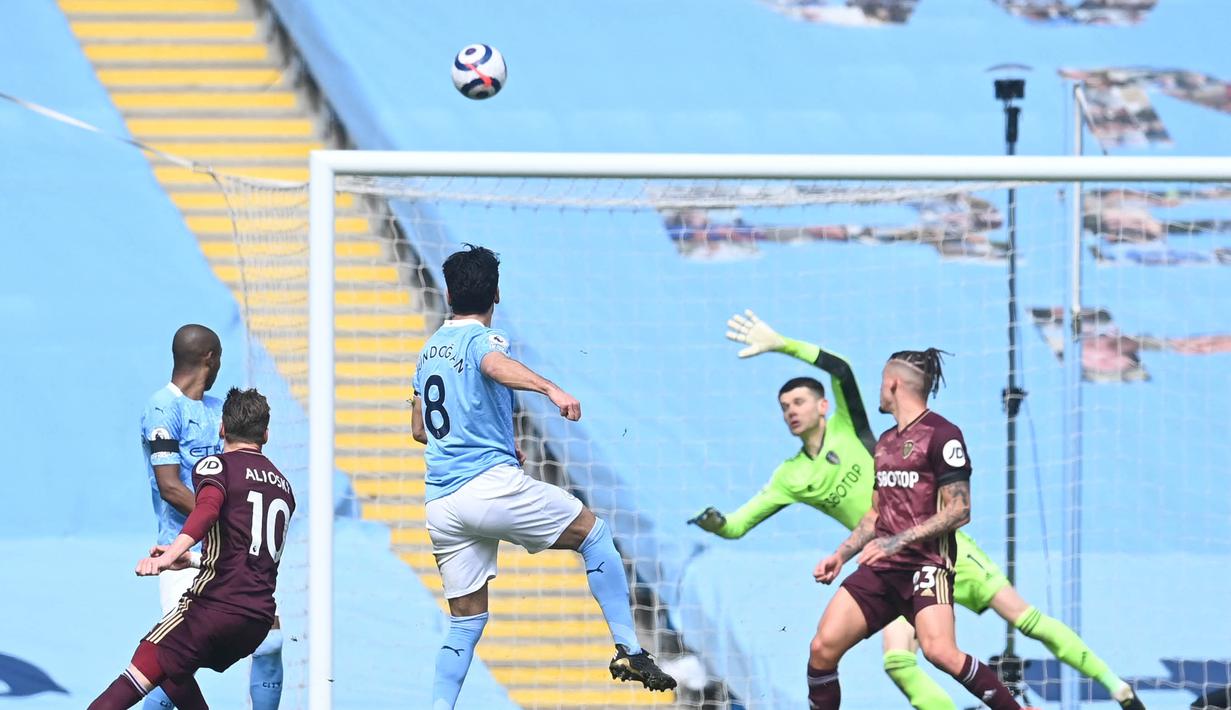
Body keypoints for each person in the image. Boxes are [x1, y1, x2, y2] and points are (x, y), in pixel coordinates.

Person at [693, 312, 1144, 710]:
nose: (791, 411)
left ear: (824, 405)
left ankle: (1117, 687)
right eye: (784, 407)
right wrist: (841, 553)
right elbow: (869, 514)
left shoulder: (886, 431)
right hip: (882, 560)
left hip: (937, 557)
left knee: (1009, 626)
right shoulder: (815, 468)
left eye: (798, 401)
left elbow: (958, 509)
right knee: (869, 657)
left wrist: (782, 343)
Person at [412, 245, 676, 710]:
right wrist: (551, 389)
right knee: (594, 535)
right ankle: (630, 650)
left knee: (466, 623)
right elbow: (493, 365)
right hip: (486, 486)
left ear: (449, 294)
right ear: (497, 293)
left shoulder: (427, 351)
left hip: (442, 504)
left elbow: (420, 429)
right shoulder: (484, 340)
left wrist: (494, 439)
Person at [90, 388, 295, 709]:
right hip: (257, 621)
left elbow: (207, 510)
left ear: (222, 429)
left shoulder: (216, 466)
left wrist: (169, 555)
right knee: (174, 670)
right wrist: (193, 560)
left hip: (213, 610)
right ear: (265, 434)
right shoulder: (283, 486)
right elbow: (249, 554)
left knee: (143, 665)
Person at [138, 325, 283, 710]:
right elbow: (170, 486)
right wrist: (226, 521)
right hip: (182, 551)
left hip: (229, 555)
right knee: (172, 666)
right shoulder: (162, 408)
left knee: (271, 643)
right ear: (210, 358)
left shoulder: (220, 409)